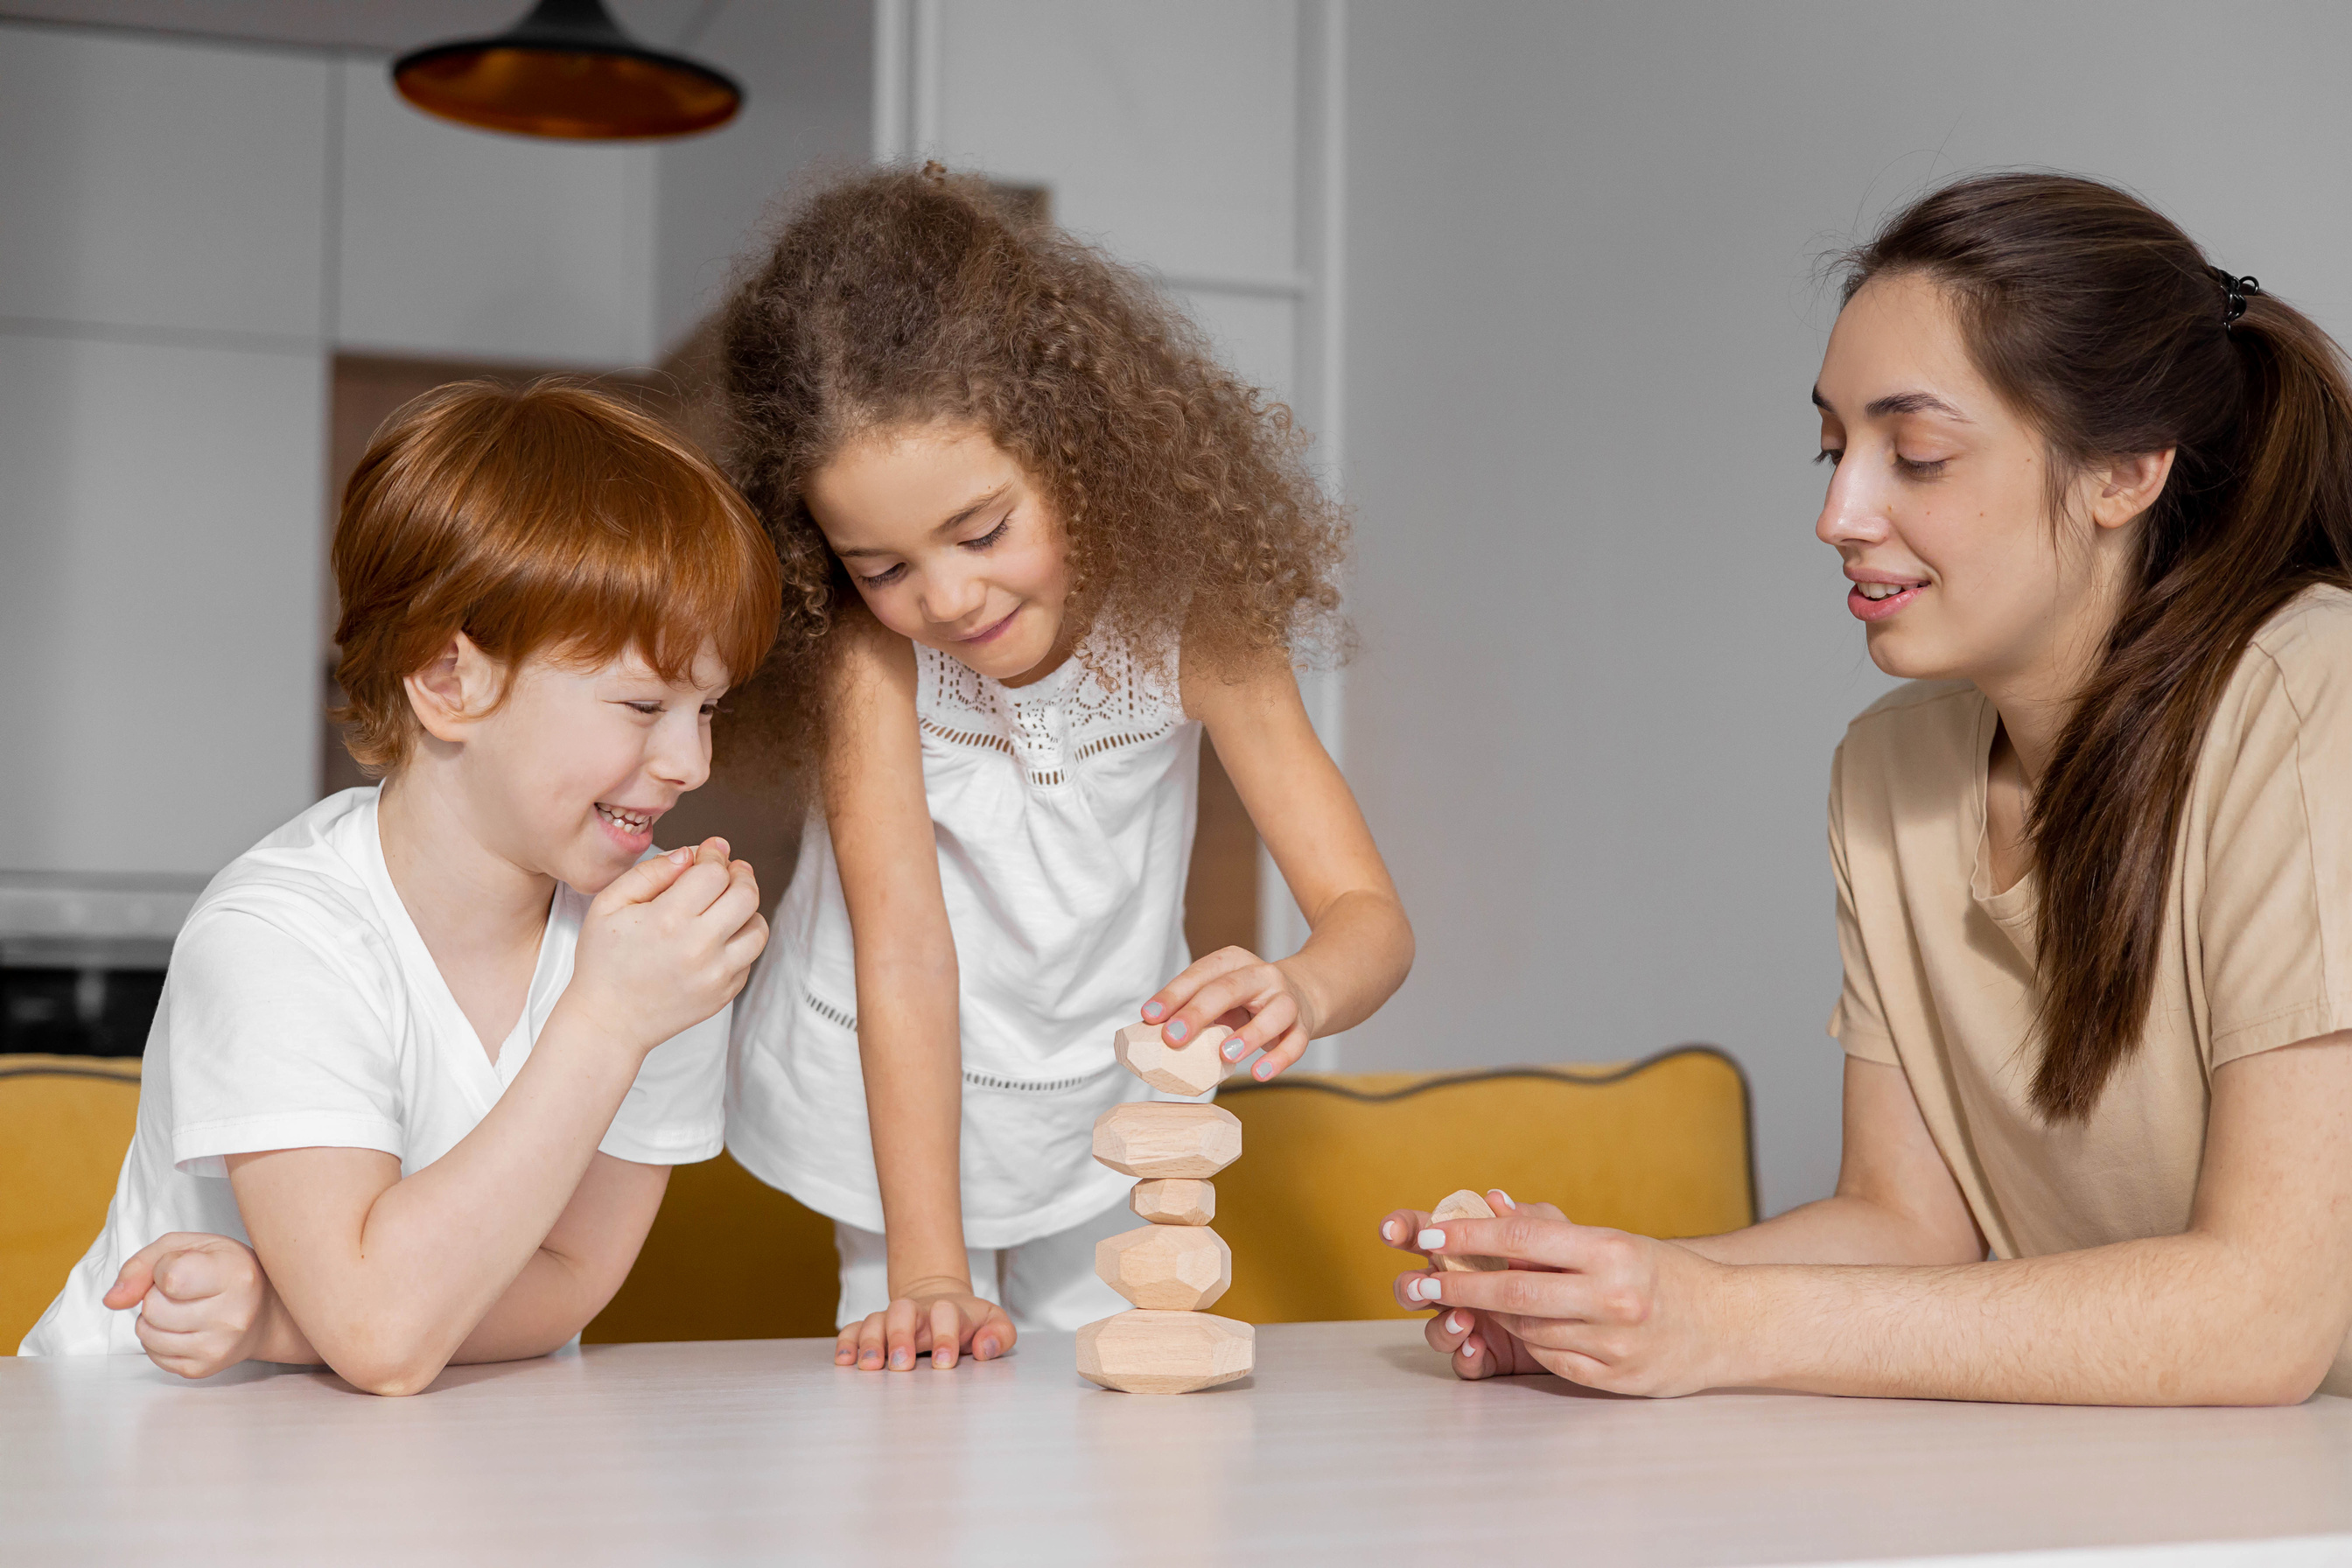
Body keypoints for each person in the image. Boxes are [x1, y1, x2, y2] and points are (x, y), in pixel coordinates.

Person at [1385, 172, 2352, 1404]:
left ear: (2125, 474)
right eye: (1835, 448)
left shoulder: (2314, 693)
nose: (1839, 513)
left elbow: (2264, 1321)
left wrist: (1722, 1320)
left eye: (1920, 454)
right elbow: (1907, 1224)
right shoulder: (1890, 769)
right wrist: (1607, 1301)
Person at [720, 165, 1414, 1374]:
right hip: (894, 1096)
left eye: (981, 531)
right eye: (880, 567)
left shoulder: (1196, 628)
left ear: (1082, 453)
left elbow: (1369, 918)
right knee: (921, 1400)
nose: (943, 597)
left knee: (1106, 1400)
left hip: (1098, 1090)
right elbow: (904, 952)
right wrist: (928, 1271)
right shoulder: (874, 664)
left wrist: (1304, 988)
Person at [19, 381, 780, 1395]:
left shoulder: (651, 948)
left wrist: (285, 1322)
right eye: (643, 704)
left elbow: (569, 1279)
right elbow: (382, 1335)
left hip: (416, 1457)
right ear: (448, 682)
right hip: (126, 1440)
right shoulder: (279, 935)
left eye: (707, 707)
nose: (690, 760)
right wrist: (607, 1022)